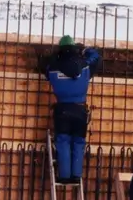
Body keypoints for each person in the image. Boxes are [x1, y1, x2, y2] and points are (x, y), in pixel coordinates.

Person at [43, 36, 101, 184]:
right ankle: (76, 175)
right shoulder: (85, 66)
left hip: (62, 109)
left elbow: (44, 63)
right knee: (78, 142)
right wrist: (85, 49)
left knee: (63, 142)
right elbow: (96, 57)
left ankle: (64, 175)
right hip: (80, 109)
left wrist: (55, 54)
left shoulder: (53, 66)